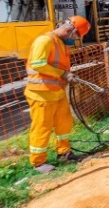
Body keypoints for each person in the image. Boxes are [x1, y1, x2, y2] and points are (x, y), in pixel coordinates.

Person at [25, 15, 91, 173]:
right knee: (42, 127)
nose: (74, 40)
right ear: (70, 29)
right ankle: (38, 162)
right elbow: (38, 64)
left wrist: (68, 76)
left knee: (64, 123)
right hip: (40, 94)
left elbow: (60, 68)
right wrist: (63, 74)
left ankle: (64, 153)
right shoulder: (45, 41)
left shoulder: (60, 44)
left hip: (56, 92)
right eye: (75, 36)